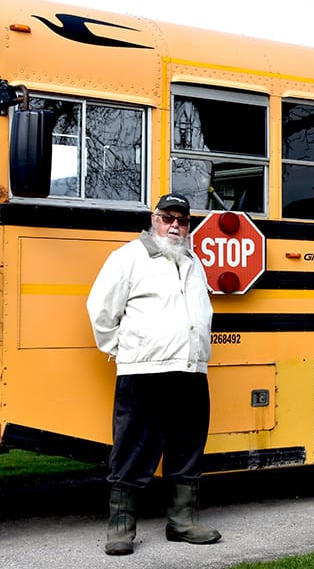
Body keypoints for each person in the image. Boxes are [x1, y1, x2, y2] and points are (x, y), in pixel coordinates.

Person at [86, 192, 221, 556]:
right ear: (153, 220)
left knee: (188, 445)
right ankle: (120, 529)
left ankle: (182, 522)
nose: (175, 225)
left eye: (182, 220)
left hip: (190, 369)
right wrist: (126, 350)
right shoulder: (128, 257)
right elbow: (101, 310)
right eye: (167, 218)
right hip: (144, 369)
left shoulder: (192, 261)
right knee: (133, 446)